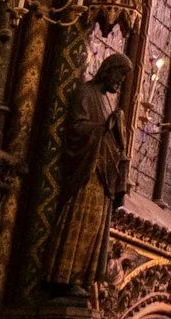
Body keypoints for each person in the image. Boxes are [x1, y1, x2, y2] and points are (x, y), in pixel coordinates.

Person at [45, 52, 133, 296]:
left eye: (124, 79)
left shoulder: (106, 101)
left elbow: (112, 141)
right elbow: (77, 128)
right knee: (78, 220)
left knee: (95, 229)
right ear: (108, 69)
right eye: (119, 75)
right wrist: (106, 127)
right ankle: (64, 278)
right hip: (86, 172)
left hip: (103, 175)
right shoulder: (86, 92)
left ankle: (81, 278)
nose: (120, 82)